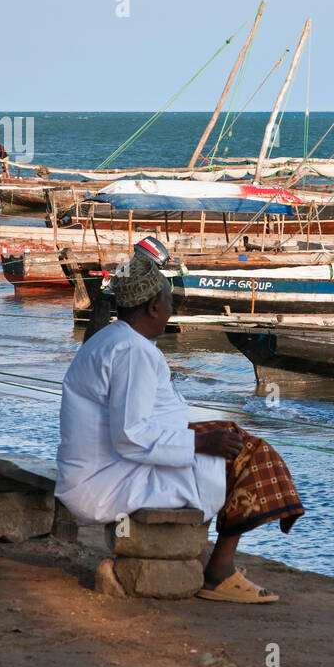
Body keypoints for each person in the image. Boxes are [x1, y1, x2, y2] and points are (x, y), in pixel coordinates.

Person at [56, 253, 303, 603]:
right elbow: (130, 436)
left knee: (231, 436)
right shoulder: (132, 352)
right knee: (247, 456)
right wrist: (201, 444)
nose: (173, 309)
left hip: (107, 466)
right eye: (170, 301)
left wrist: (206, 438)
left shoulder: (113, 338)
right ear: (154, 307)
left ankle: (203, 558)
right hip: (107, 479)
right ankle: (219, 573)